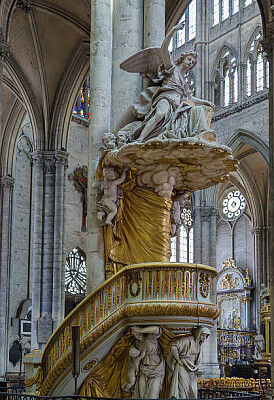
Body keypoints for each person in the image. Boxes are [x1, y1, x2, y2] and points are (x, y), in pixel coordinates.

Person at [131, 23, 215, 142]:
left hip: (178, 105)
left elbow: (190, 98)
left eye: (193, 63)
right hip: (166, 98)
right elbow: (164, 48)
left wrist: (206, 102)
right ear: (183, 58)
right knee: (160, 114)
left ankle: (202, 135)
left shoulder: (184, 81)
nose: (191, 63)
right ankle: (140, 139)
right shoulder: (171, 68)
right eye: (189, 59)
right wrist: (173, 30)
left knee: (199, 110)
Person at [167, 326, 210, 399]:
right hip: (183, 366)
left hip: (192, 369)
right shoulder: (188, 340)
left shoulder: (199, 344)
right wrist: (178, 360)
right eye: (203, 335)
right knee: (183, 390)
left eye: (206, 336)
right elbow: (173, 347)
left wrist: (197, 367)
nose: (204, 338)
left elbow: (197, 358)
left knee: (193, 390)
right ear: (198, 334)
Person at [126, 326, 165, 399]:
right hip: (143, 370)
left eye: (138, 333)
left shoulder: (150, 338)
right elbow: (135, 361)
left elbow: (156, 329)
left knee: (153, 396)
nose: (138, 336)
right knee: (141, 396)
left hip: (155, 370)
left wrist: (140, 330)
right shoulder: (137, 344)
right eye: (136, 335)